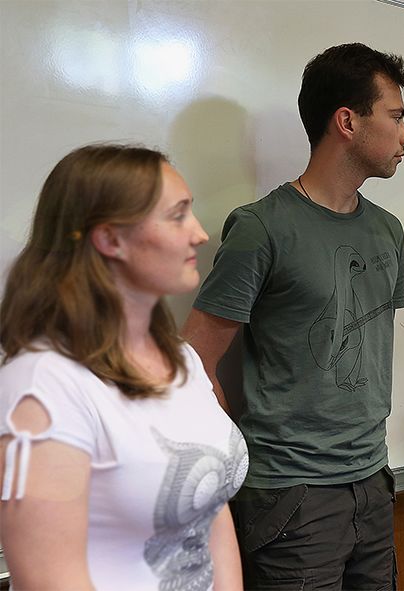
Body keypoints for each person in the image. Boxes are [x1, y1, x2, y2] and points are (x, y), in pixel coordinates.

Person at [182, 42, 404, 589]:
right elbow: (193, 361)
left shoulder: (387, 230)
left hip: (373, 483)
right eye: (396, 117)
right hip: (292, 497)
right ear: (347, 122)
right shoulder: (261, 228)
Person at [0, 144, 247, 590]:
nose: (199, 234)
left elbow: (211, 510)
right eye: (177, 215)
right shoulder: (43, 385)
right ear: (110, 239)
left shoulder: (181, 359)